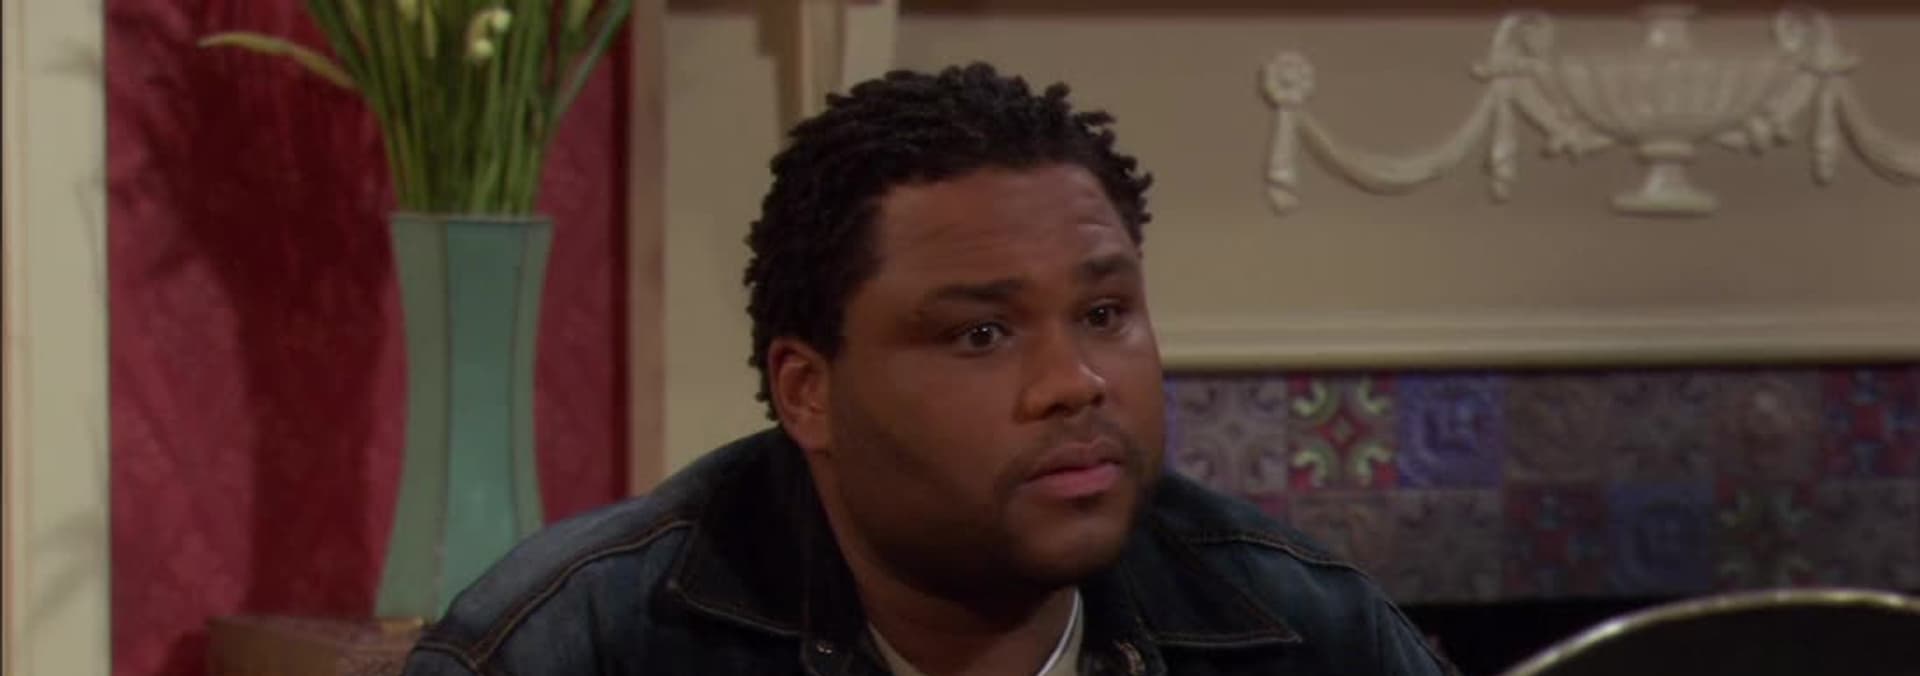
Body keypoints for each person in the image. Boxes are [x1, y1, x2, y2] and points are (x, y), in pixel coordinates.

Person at [401, 63, 1456, 676]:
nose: (1075, 381)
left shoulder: (1297, 628)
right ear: (808, 390)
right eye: (981, 334)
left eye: (1103, 315)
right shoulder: (582, 643)